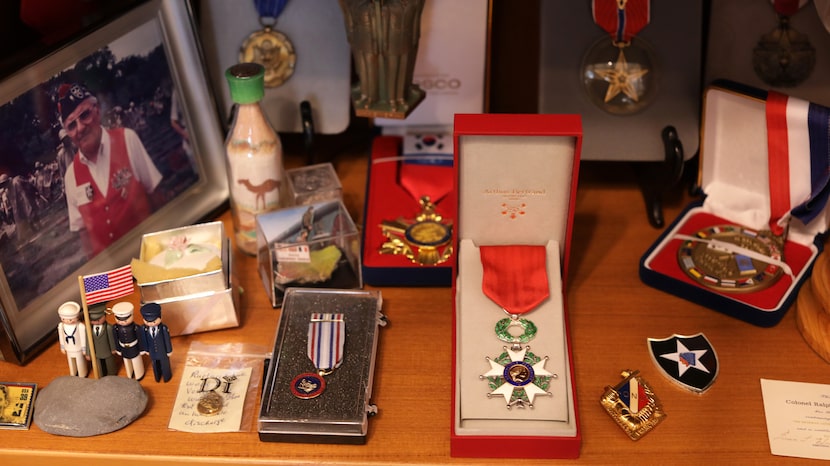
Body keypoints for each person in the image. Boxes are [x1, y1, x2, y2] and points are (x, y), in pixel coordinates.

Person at [57, 82, 163, 257]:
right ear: (67, 133)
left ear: (97, 110)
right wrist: (99, 284)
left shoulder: (127, 139)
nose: (80, 127)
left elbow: (157, 196)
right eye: (72, 125)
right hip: (115, 278)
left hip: (151, 257)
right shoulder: (70, 177)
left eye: (84, 115)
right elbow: (85, 238)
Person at [139, 302, 172, 383]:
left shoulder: (163, 328)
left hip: (163, 351)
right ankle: (157, 377)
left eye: (153, 321)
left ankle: (166, 377)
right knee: (155, 365)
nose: (150, 324)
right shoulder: (144, 329)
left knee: (165, 365)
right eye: (148, 321)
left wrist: (169, 350)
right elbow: (144, 339)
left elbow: (167, 340)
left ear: (159, 318)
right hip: (152, 351)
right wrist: (146, 349)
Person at [111, 302, 145, 381]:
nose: (122, 321)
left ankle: (139, 375)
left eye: (125, 319)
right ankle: (130, 375)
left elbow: (140, 339)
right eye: (119, 319)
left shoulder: (136, 328)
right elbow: (116, 339)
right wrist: (118, 349)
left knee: (137, 362)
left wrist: (142, 349)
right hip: (123, 348)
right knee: (127, 362)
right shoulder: (116, 328)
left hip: (134, 347)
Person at [57, 301, 88, 377]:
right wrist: (62, 346)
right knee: (71, 362)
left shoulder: (80, 326)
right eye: (64, 319)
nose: (67, 321)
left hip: (78, 348)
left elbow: (83, 338)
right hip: (68, 348)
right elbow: (61, 336)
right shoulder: (61, 326)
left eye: (70, 319)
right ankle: (73, 373)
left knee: (80, 361)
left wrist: (84, 348)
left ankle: (82, 374)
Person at [87, 303, 118, 377]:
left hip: (107, 350)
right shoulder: (89, 329)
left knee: (110, 364)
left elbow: (111, 339)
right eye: (93, 320)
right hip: (96, 352)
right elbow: (88, 342)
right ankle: (101, 375)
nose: (96, 322)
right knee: (99, 367)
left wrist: (113, 349)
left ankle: (112, 374)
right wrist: (88, 353)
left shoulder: (108, 327)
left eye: (98, 319)